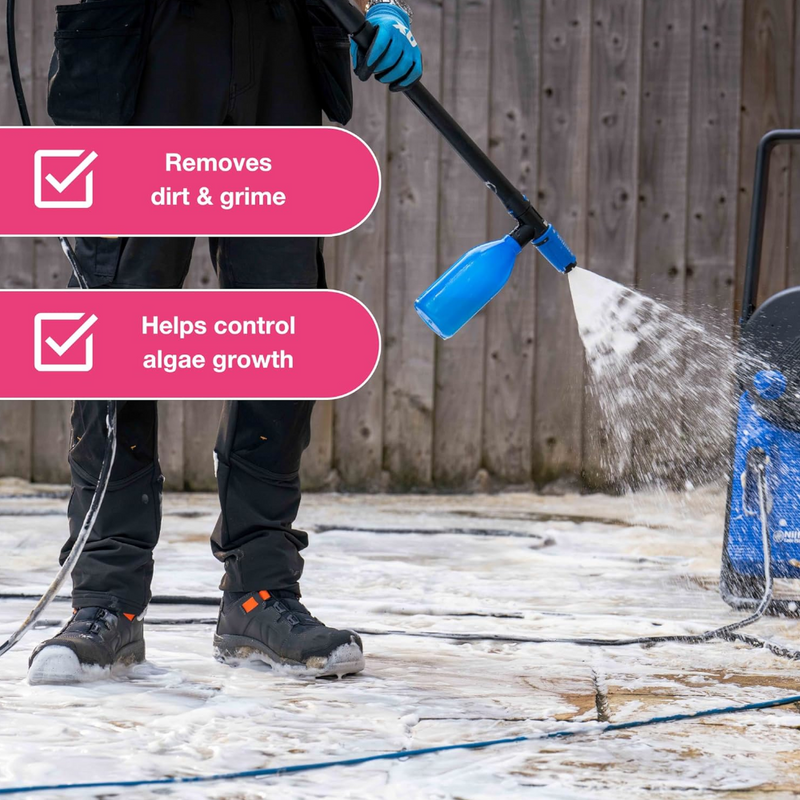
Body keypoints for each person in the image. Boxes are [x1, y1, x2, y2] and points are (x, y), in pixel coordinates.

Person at [28, 0, 422, 684]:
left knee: (281, 322)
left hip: (280, 41)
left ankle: (260, 596)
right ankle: (107, 603)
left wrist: (385, 5)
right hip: (144, 42)